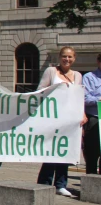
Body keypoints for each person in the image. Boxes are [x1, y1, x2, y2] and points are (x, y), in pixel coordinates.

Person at [36, 46, 85, 196]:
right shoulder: (51, 71)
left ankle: (61, 184)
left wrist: (82, 114)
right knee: (51, 150)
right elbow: (40, 91)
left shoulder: (77, 75)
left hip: (69, 119)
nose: (67, 59)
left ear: (74, 58)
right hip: (53, 117)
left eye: (70, 57)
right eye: (64, 56)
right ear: (59, 57)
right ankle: (44, 182)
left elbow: (79, 97)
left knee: (65, 151)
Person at [82, 53, 101, 175]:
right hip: (94, 118)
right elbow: (84, 98)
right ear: (98, 61)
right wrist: (98, 100)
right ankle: (91, 183)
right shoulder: (89, 77)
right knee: (92, 153)